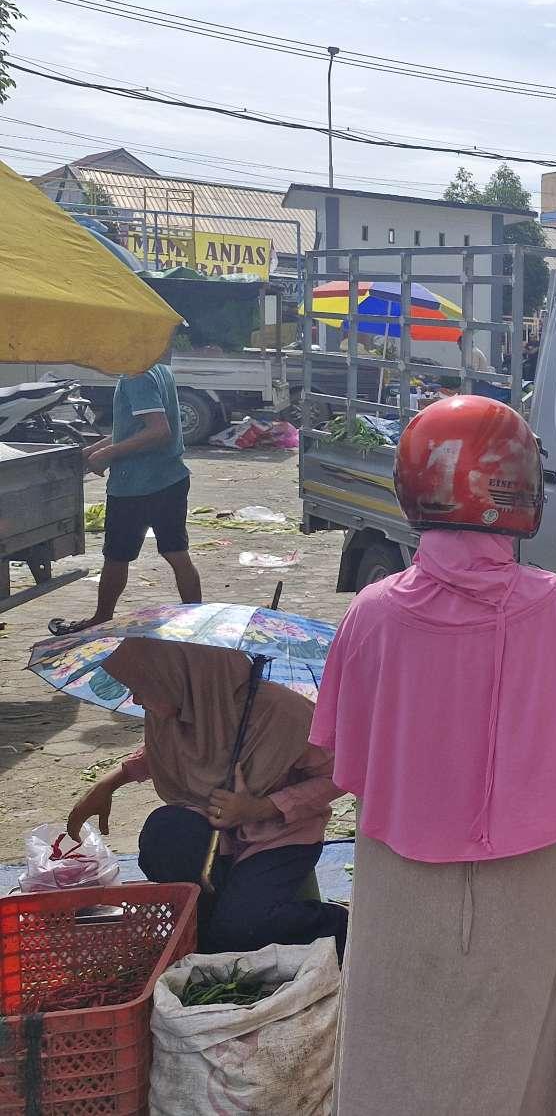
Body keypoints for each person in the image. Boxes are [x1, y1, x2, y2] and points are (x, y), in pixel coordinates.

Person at [311, 395, 556, 1115]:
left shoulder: (374, 611)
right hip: (529, 870)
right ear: (522, 489)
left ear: (413, 486)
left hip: (402, 873)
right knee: (529, 1037)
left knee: (394, 1031)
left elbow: (347, 753)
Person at [66, 639, 347, 956]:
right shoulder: (184, 704)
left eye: (144, 686)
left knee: (242, 931)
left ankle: (338, 924)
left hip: (277, 838)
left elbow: (339, 775)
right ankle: (215, 919)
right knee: (165, 833)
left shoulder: (286, 713)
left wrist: (260, 808)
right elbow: (162, 751)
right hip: (213, 829)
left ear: (181, 675)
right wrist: (110, 782)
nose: (137, 698)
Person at [50, 361, 201, 636]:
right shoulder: (158, 368)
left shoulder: (136, 375)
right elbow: (132, 429)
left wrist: (108, 454)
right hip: (170, 478)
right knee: (176, 553)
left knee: (117, 556)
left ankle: (102, 617)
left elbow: (158, 430)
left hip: (137, 484)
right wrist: (94, 449)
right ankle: (199, 618)